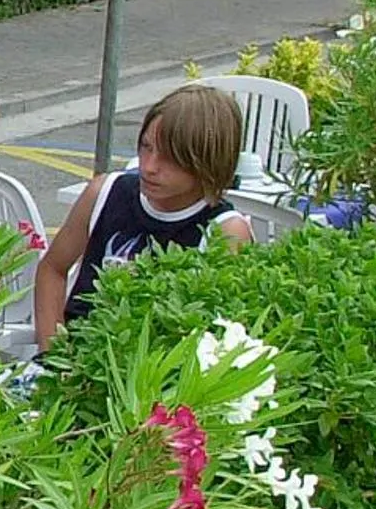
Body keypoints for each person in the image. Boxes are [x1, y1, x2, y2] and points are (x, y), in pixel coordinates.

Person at [36, 84, 254, 349]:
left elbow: (220, 334)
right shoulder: (105, 191)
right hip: (77, 355)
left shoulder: (225, 230)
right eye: (146, 147)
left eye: (170, 158)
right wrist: (52, 355)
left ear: (207, 160)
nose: (149, 166)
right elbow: (52, 269)